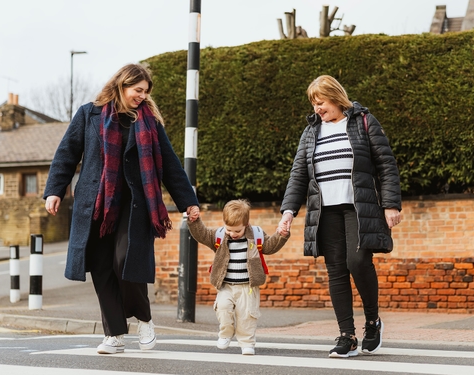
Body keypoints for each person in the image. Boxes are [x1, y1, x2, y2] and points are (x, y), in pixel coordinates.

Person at [43, 63, 199, 355]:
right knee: (101, 268)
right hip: (97, 204)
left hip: (136, 205)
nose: (141, 96)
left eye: (145, 92)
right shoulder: (89, 114)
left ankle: (144, 319)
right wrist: (53, 191)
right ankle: (114, 333)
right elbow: (66, 153)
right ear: (121, 85)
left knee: (125, 261)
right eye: (137, 90)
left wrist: (187, 201)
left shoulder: (149, 121)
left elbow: (170, 164)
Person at [278, 75, 401, 358]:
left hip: (358, 206)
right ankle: (347, 336)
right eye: (314, 104)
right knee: (336, 270)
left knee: (358, 261)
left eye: (320, 102)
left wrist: (391, 204)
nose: (317, 109)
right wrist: (288, 212)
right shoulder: (311, 132)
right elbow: (298, 174)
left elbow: (386, 165)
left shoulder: (363, 121)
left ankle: (373, 322)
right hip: (325, 210)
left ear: (335, 97)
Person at [187, 200, 289, 355]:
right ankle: (226, 333)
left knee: (247, 315)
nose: (233, 234)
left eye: (237, 231)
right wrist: (195, 221)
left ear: (246, 224)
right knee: (222, 308)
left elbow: (270, 246)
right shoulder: (219, 236)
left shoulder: (256, 235)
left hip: (248, 286)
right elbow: (202, 234)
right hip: (226, 285)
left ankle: (247, 342)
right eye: (229, 230)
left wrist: (281, 235)